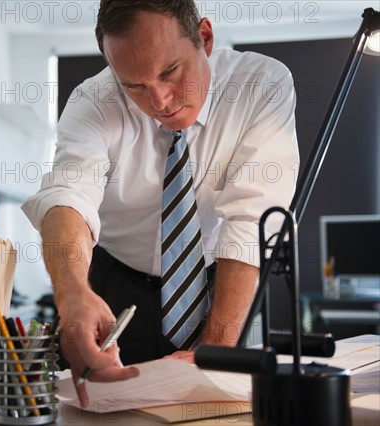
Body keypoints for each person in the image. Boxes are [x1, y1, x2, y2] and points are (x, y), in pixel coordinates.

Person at [22, 0, 299, 407]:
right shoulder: (94, 101)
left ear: (204, 38)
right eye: (134, 85)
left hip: (219, 286)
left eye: (170, 71)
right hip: (114, 290)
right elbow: (68, 197)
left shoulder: (262, 84)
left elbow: (250, 221)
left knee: (216, 408)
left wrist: (217, 346)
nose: (160, 100)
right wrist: (71, 294)